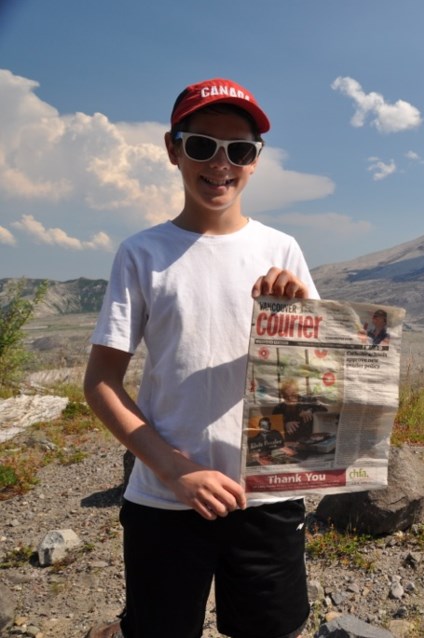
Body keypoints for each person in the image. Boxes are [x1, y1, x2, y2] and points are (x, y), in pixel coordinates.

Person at [83, 78, 318, 638]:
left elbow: (310, 387)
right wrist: (175, 470)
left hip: (265, 497)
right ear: (173, 149)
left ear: (256, 160)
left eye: (239, 150)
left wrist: (296, 327)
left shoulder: (282, 251)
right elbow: (101, 383)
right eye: (201, 146)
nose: (221, 164)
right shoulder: (141, 254)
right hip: (165, 499)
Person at [272, 377, 326, 444]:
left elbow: (324, 410)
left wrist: (311, 410)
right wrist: (285, 424)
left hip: (309, 440)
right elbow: (273, 427)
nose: (290, 399)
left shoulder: (307, 401)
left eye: (293, 395)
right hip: (289, 442)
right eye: (286, 397)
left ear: (297, 391)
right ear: (283, 396)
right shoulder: (279, 408)